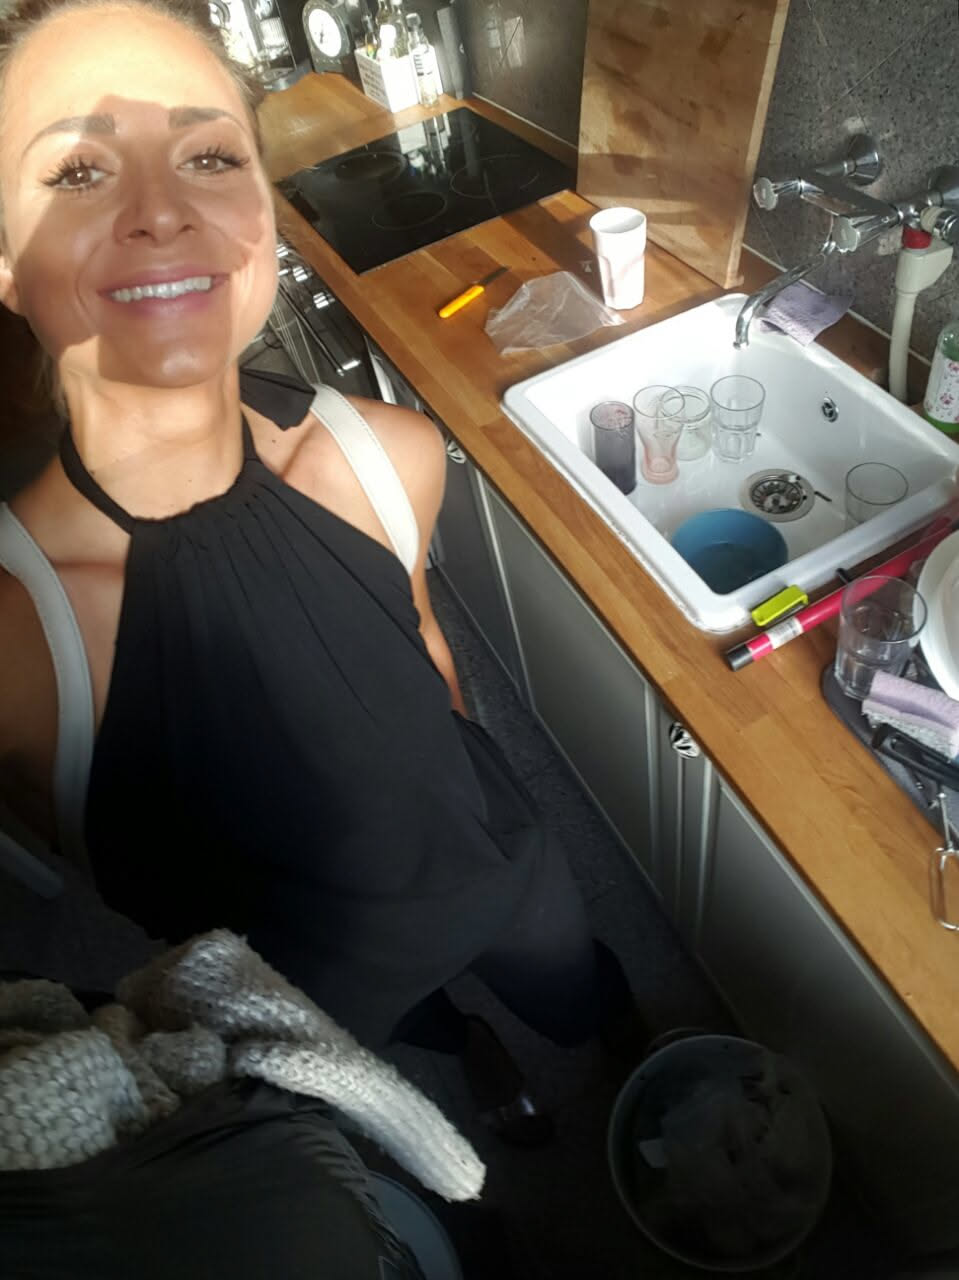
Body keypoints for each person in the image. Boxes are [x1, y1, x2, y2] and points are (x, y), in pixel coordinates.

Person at [0, 0, 638, 1142]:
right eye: (80, 172)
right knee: (404, 1043)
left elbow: (423, 647)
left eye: (208, 156)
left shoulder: (386, 456)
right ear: (5, 260)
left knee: (572, 980)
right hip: (302, 971)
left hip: (492, 860)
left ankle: (607, 1039)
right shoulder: (15, 638)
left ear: (263, 212)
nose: (162, 210)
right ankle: (461, 1041)